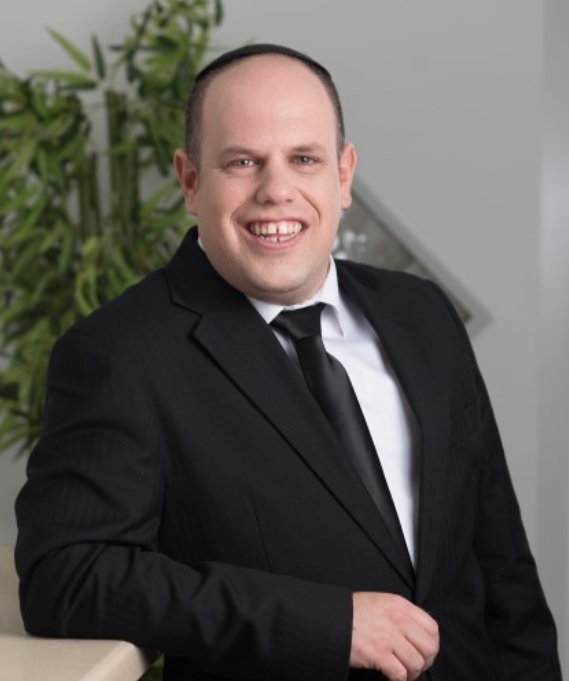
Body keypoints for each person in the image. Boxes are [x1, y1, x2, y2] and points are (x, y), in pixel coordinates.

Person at [15, 43, 561, 681]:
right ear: (191, 181)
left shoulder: (422, 313)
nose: (277, 191)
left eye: (304, 159)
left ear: (343, 174)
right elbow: (67, 576)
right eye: (242, 162)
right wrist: (328, 624)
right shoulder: (120, 355)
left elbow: (501, 564)